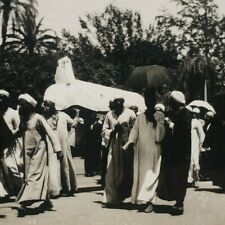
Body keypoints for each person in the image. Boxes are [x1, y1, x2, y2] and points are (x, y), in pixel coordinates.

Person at [15, 94, 61, 217]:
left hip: (39, 152)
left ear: (30, 106)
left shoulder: (39, 118)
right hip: (27, 153)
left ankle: (24, 203)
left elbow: (51, 134)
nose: (20, 107)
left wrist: (58, 149)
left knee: (33, 177)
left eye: (23, 104)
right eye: (19, 104)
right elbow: (19, 132)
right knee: (30, 176)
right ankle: (46, 201)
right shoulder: (23, 119)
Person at [123, 89, 165, 213]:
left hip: (153, 150)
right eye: (147, 99)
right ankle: (141, 200)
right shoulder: (140, 116)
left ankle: (150, 201)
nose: (149, 102)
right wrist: (130, 142)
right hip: (141, 151)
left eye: (151, 99)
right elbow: (135, 131)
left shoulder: (159, 116)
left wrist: (156, 123)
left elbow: (160, 136)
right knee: (141, 174)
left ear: (154, 101)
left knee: (151, 175)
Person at [157, 91, 192, 215]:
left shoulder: (185, 113)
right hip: (175, 153)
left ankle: (179, 203)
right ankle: (177, 202)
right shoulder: (178, 112)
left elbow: (184, 131)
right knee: (175, 177)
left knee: (180, 178)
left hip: (182, 153)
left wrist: (172, 125)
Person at [101, 98, 136, 207]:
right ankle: (109, 198)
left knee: (127, 171)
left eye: (119, 108)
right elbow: (104, 130)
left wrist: (125, 129)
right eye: (115, 108)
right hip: (114, 145)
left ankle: (126, 196)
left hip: (126, 146)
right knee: (111, 170)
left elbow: (135, 129)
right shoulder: (109, 115)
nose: (117, 111)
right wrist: (113, 131)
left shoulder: (130, 113)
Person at [42, 99, 77, 196]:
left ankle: (68, 188)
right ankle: (56, 188)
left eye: (47, 106)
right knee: (54, 165)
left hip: (63, 143)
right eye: (44, 106)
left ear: (52, 106)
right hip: (51, 143)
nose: (45, 108)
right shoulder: (45, 118)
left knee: (65, 163)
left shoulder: (63, 115)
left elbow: (73, 123)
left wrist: (77, 116)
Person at [0, 90, 23, 197]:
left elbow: (19, 128)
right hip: (2, 144)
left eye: (3, 98)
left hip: (13, 144)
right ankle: (9, 189)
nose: (0, 100)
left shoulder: (13, 113)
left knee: (13, 167)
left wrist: (11, 135)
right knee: (4, 169)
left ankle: (20, 187)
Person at [188, 107, 205, 186]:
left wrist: (201, 144)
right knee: (190, 161)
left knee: (194, 161)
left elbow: (201, 134)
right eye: (193, 113)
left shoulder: (197, 122)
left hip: (195, 144)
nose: (194, 115)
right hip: (189, 143)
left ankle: (193, 179)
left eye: (196, 113)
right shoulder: (188, 121)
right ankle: (189, 179)